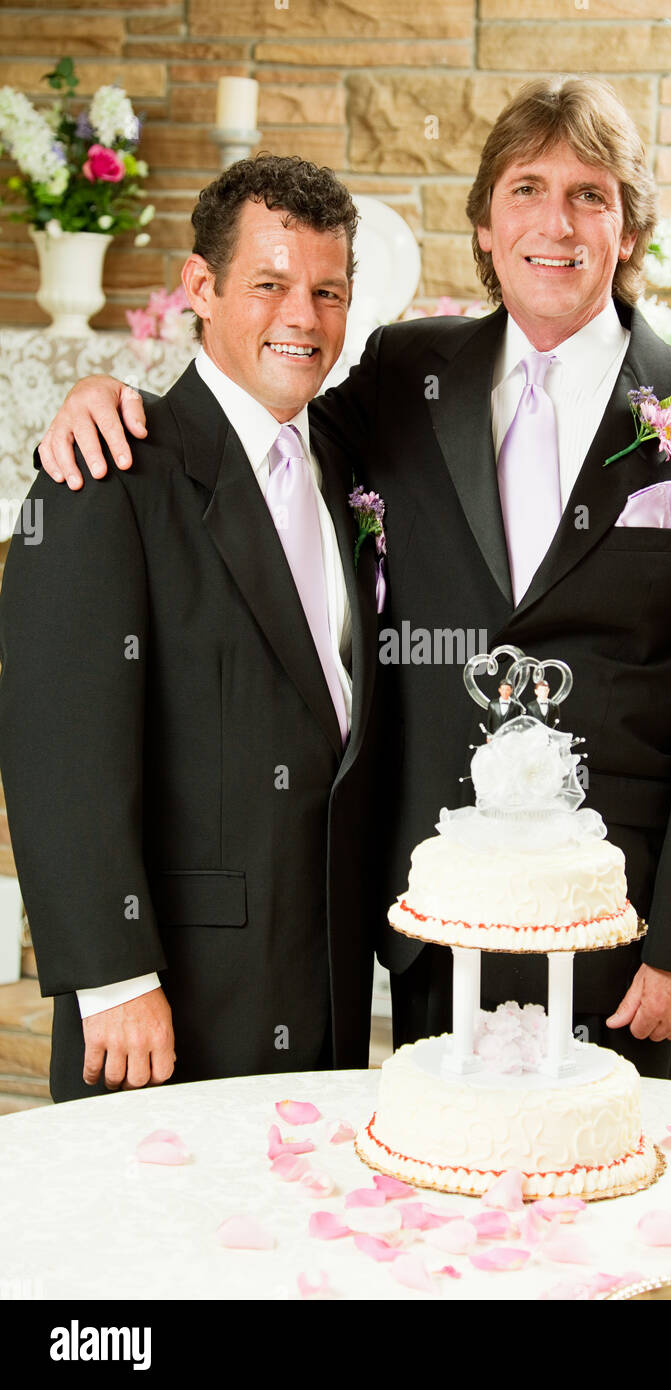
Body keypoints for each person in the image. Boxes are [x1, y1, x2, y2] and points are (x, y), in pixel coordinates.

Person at [34, 76, 671, 1080]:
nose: (553, 223)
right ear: (484, 225)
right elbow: (249, 412)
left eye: (588, 194)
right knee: (424, 1192)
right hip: (424, 907)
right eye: (525, 189)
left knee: (595, 1204)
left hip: (620, 914)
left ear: (629, 227)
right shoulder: (402, 375)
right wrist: (103, 396)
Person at [0, 155, 384, 1101]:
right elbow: (56, 748)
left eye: (327, 291)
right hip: (168, 1001)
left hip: (327, 981)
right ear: (201, 288)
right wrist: (114, 980)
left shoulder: (350, 458)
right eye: (270, 284)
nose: (303, 316)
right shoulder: (106, 472)